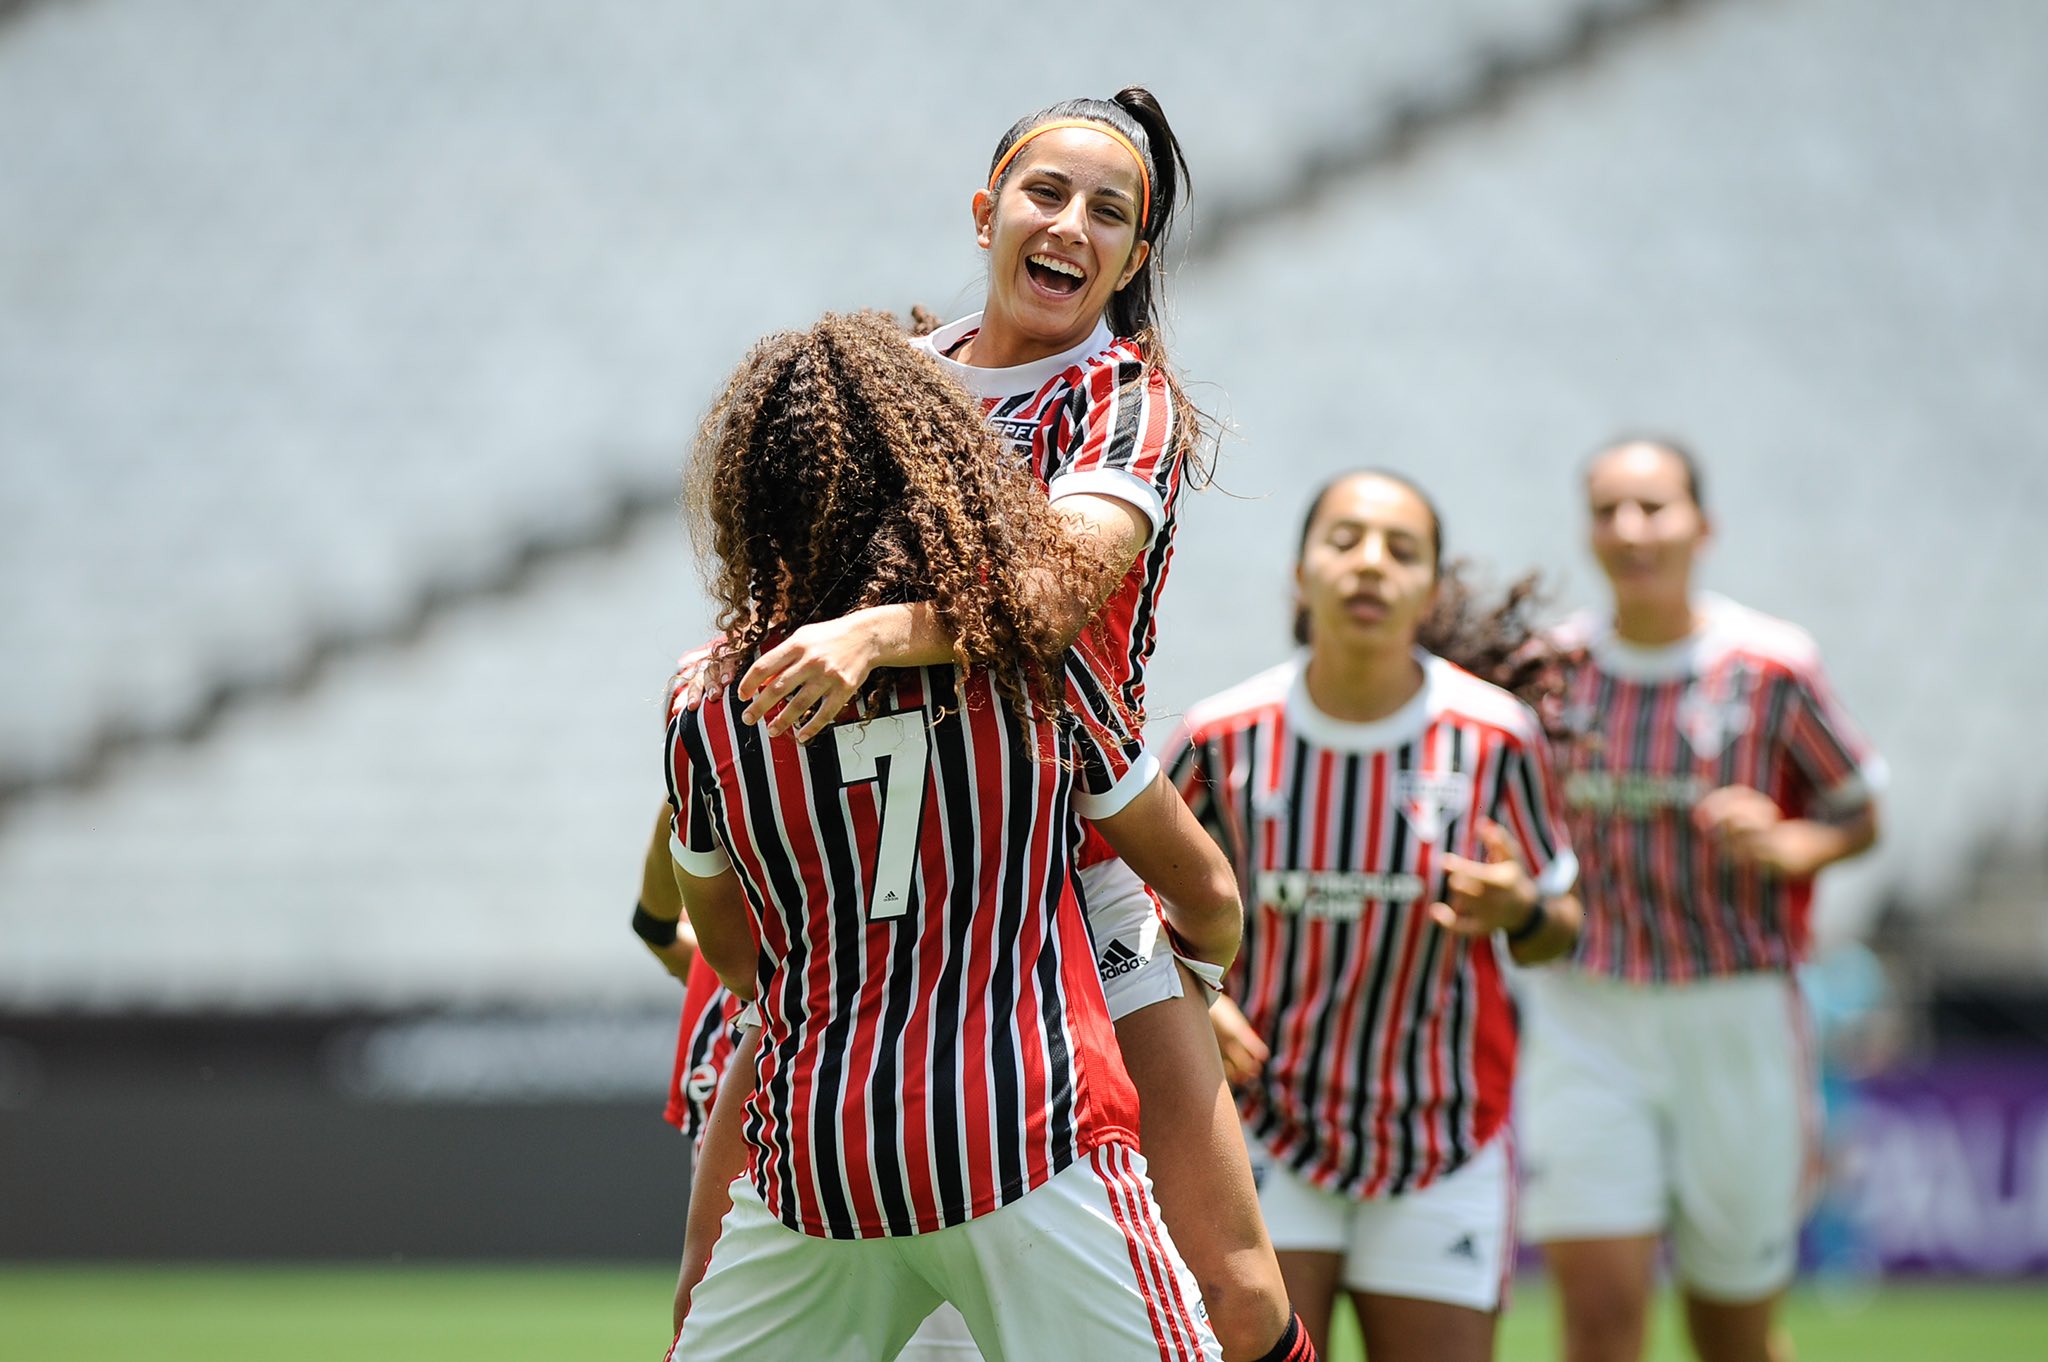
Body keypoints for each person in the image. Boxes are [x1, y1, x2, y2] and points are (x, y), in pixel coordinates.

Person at [715, 88, 1309, 1362]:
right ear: (986, 211)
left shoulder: (1122, 399)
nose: (1070, 225)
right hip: (877, 893)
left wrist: (877, 632)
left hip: (1067, 870)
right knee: (727, 1270)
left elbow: (1048, 594)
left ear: (1134, 258)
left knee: (1236, 1292)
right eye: (1046, 193)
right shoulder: (885, 389)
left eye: (1111, 212)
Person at [664, 311, 1241, 1361]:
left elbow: (732, 954)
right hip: (1026, 1136)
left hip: (816, 1164)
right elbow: (1204, 890)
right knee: (1240, 1299)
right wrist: (1188, 983)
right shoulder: (1033, 673)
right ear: (948, 467)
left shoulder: (705, 703)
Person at [1166, 470, 1584, 1362]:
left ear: (1430, 589)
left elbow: (1562, 928)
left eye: (1401, 550)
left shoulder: (1495, 736)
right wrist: (1194, 998)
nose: (1370, 565)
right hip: (1266, 1131)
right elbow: (1110, 910)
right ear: (1300, 572)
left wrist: (1520, 908)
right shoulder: (1222, 734)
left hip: (1445, 1133)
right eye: (1345, 540)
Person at [1517, 437, 1885, 1362]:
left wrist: (1792, 841)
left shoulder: (1771, 666)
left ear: (1702, 526)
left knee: (1733, 1331)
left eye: (1653, 507)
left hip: (1737, 1017)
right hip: (1585, 1012)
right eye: (1608, 510)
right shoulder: (1548, 673)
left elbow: (1860, 815)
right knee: (1599, 1327)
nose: (1631, 529)